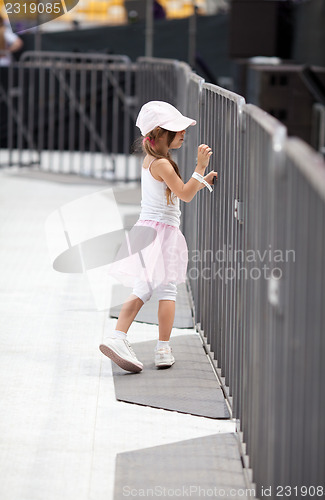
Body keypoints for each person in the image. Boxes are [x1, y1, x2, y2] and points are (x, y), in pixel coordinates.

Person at [99, 101, 217, 373]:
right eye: (177, 130)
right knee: (153, 288)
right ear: (161, 134)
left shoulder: (151, 160)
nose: (183, 134)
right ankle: (124, 339)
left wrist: (201, 180)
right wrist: (200, 167)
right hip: (162, 234)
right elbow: (185, 195)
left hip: (150, 230)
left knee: (157, 287)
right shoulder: (163, 164)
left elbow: (178, 192)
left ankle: (156, 346)